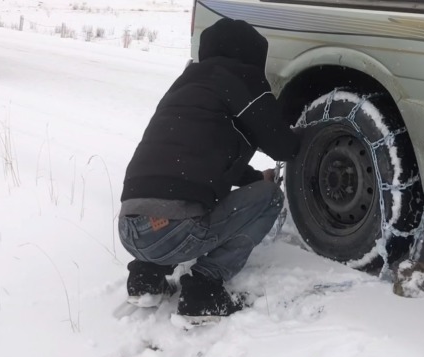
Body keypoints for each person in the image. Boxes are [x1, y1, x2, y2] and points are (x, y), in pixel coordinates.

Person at [117, 18, 301, 321]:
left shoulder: (184, 85)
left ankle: (145, 278)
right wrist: (307, 135)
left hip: (129, 227)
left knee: (174, 195)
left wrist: (254, 178)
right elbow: (284, 147)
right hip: (173, 230)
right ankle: (204, 289)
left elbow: (201, 156)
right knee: (269, 197)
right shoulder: (244, 79)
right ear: (252, 55)